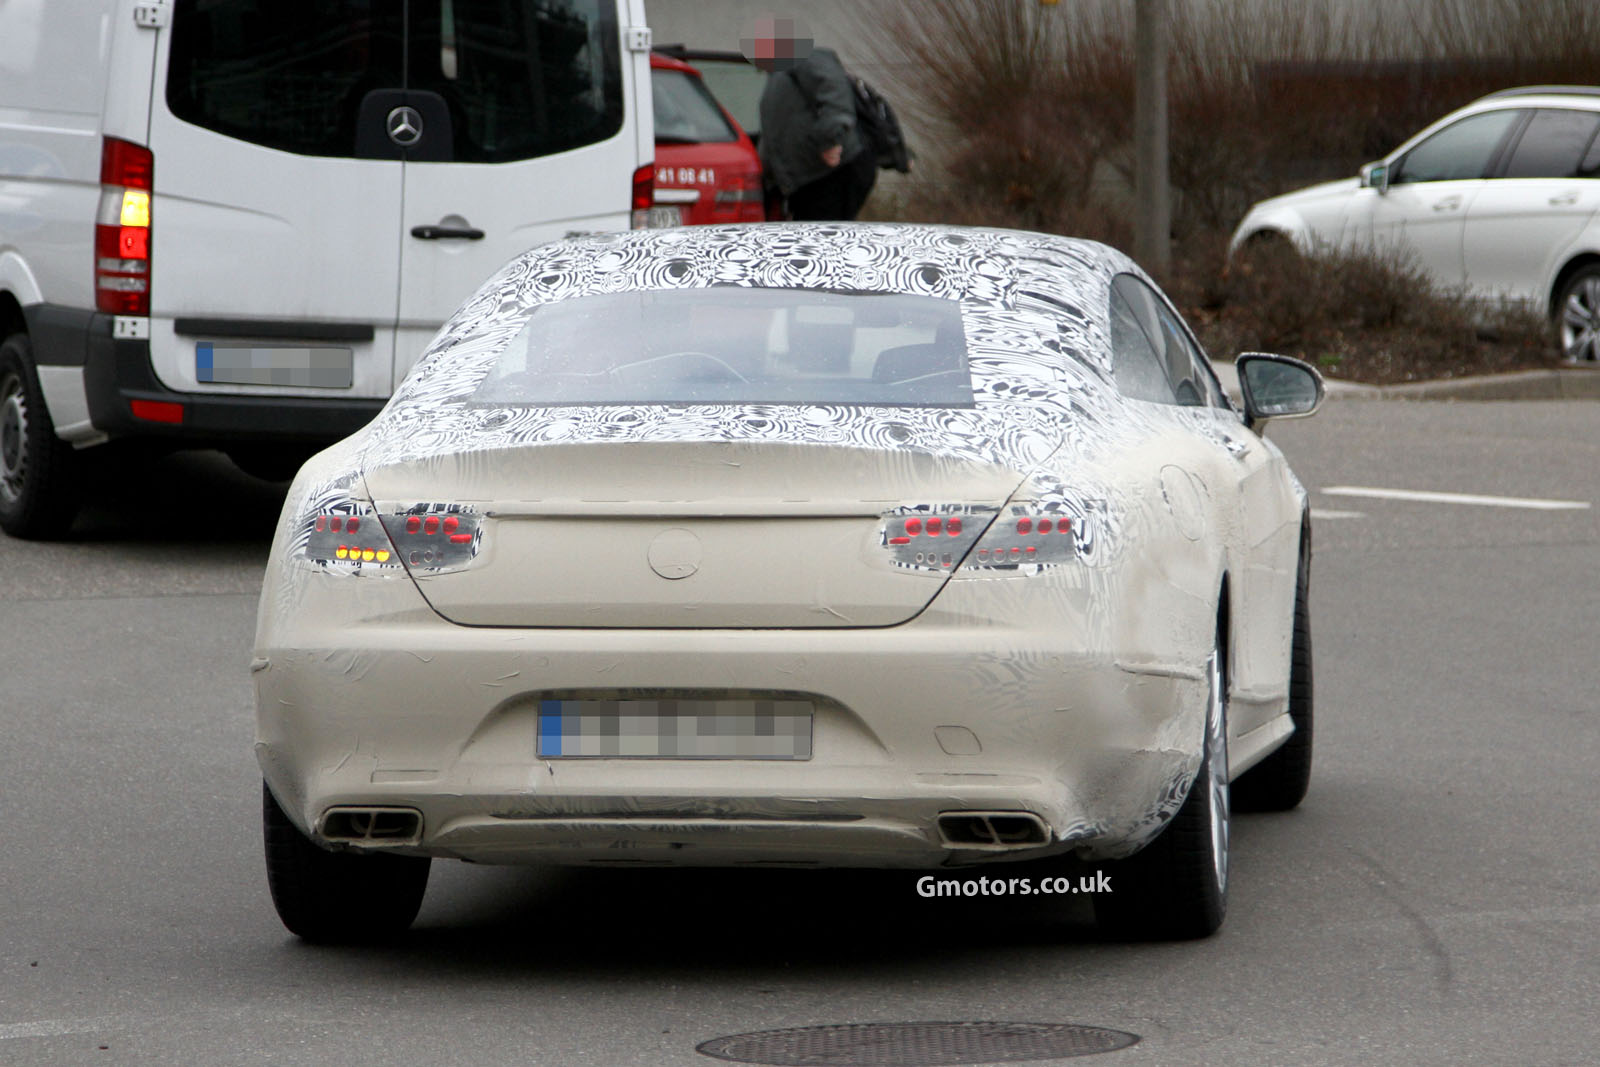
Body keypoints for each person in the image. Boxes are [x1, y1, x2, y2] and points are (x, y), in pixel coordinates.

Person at [747, 18, 876, 221]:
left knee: (823, 235)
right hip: (809, 179)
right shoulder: (779, 76)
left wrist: (831, 139)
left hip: (830, 173)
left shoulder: (804, 57)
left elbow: (832, 91)